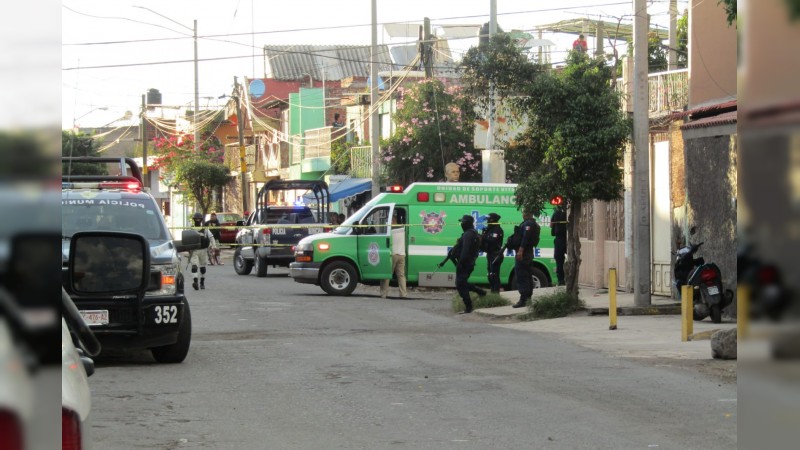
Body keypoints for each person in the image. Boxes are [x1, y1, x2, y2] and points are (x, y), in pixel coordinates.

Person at [440, 215, 486, 313]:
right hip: (468, 262)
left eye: (463, 222)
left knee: (460, 284)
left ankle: (469, 306)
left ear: (467, 223)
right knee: (462, 283)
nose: (461, 224)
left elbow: (465, 250)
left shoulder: (468, 234)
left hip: (465, 263)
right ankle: (480, 292)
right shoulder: (472, 233)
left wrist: (460, 263)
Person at [512, 208, 541, 308]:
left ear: (526, 214)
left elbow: (525, 237)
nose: (522, 214)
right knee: (527, 274)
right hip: (528, 252)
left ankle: (523, 299)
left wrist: (520, 250)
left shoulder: (528, 224)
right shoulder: (533, 223)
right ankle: (528, 298)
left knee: (522, 275)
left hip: (524, 253)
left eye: (523, 212)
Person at [380, 211, 407, 299]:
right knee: (401, 275)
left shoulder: (391, 231)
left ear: (392, 221)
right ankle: (403, 294)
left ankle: (384, 293)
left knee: (387, 274)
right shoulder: (403, 230)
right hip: (402, 254)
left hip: (393, 255)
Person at [189, 212, 216, 290]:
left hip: (203, 250)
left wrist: (214, 246)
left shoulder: (205, 229)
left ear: (201, 220)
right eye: (196, 219)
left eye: (199, 219)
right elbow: (187, 239)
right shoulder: (191, 229)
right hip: (194, 251)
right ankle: (195, 282)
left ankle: (202, 282)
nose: (197, 220)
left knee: (202, 268)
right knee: (194, 267)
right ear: (194, 219)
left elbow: (211, 237)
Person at [482, 212, 505, 293]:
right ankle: (493, 291)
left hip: (496, 254)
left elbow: (493, 240)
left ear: (492, 220)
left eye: (488, 219)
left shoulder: (497, 230)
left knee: (494, 274)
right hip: (490, 253)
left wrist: (483, 236)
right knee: (490, 275)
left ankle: (496, 293)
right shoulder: (489, 229)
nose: (487, 220)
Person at [551, 204, 567, 286]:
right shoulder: (567, 212)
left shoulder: (556, 213)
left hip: (559, 238)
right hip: (567, 238)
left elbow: (551, 224)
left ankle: (561, 281)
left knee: (559, 261)